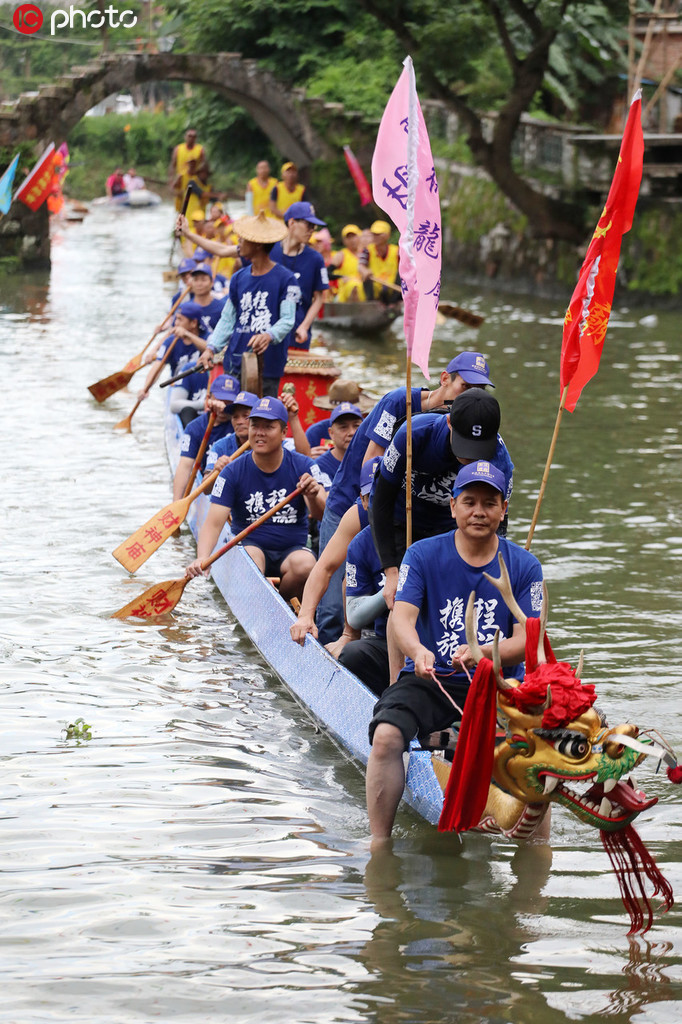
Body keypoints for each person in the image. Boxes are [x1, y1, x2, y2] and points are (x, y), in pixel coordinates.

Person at [365, 461, 544, 840]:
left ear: (504, 508)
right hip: (436, 677)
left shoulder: (526, 566)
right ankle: (379, 843)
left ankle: (537, 849)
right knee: (386, 736)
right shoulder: (422, 555)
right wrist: (418, 651)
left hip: (499, 684)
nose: (479, 511)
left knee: (541, 746)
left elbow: (529, 640)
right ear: (453, 506)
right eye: (470, 501)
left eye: (489, 503)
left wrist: (485, 656)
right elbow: (402, 617)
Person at [314, 354, 494, 646]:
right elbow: (372, 464)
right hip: (357, 496)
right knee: (334, 609)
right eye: (466, 386)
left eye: (480, 390)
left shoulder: (466, 425)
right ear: (445, 378)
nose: (473, 395)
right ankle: (328, 646)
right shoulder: (400, 402)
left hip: (401, 504)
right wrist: (370, 505)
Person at [371, 389, 514, 612]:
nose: (471, 457)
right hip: (403, 518)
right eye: (465, 445)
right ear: (449, 422)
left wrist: (496, 569)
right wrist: (391, 571)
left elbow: (498, 524)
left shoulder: (500, 460)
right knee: (400, 599)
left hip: (452, 528)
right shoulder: (413, 434)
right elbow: (380, 500)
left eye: (479, 450)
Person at [185, 396, 326, 601]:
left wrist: (313, 496)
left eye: (268, 427)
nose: (259, 432)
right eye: (255, 425)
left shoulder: (304, 466)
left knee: (305, 565)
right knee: (251, 557)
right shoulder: (232, 472)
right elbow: (213, 524)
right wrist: (202, 557)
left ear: (283, 432)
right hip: (249, 547)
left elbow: (322, 514)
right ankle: (264, 599)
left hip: (292, 549)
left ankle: (281, 601)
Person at [197, 212, 299, 398]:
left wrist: (269, 335)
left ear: (258, 244)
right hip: (234, 361)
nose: (239, 243)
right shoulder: (238, 278)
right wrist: (211, 348)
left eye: (243, 239)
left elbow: (287, 319)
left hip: (267, 367)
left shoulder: (286, 279)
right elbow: (228, 319)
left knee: (261, 419)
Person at [271, 201, 329, 353]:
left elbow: (319, 298)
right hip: (266, 330)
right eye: (308, 225)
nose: (312, 230)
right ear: (292, 222)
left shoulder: (315, 258)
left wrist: (304, 326)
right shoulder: (269, 250)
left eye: (314, 226)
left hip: (297, 335)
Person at [172, 374, 241, 500]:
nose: (223, 407)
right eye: (219, 400)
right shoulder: (195, 428)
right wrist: (176, 502)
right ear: (209, 398)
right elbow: (185, 466)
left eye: (229, 403)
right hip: (208, 478)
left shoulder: (241, 426)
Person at [313, 402, 363, 492]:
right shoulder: (320, 466)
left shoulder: (372, 459)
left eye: (356, 426)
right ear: (331, 433)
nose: (351, 432)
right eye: (343, 427)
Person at [205, 391, 258, 471]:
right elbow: (206, 482)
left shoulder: (270, 444)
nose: (239, 422)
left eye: (245, 416)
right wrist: (216, 470)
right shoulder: (220, 446)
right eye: (235, 417)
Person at [358, 220, 401, 303]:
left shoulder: (396, 251)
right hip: (376, 286)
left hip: (393, 288)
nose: (375, 237)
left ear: (387, 235)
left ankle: (395, 303)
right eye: (374, 234)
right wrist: (364, 271)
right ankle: (371, 303)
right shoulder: (368, 250)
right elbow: (361, 265)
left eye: (378, 234)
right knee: (366, 280)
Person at [168, 129, 207, 210]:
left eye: (194, 137)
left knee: (197, 205)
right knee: (180, 207)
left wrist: (197, 171)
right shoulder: (178, 149)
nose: (191, 138)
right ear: (185, 137)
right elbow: (173, 165)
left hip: (195, 182)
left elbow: (204, 164)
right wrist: (171, 180)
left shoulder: (200, 149)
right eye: (189, 136)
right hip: (181, 181)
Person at [329, 224, 366, 303]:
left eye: (354, 236)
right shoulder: (341, 255)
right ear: (344, 241)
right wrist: (341, 277)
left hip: (365, 291)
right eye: (348, 237)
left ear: (359, 237)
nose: (352, 240)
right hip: (345, 294)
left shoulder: (366, 253)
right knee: (354, 285)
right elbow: (327, 273)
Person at [169, 361, 209, 428]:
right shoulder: (190, 368)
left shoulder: (231, 370)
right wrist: (204, 404)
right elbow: (174, 405)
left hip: (219, 424)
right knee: (187, 411)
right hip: (195, 418)